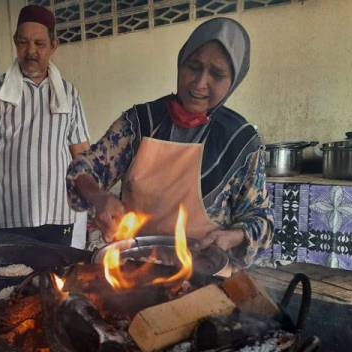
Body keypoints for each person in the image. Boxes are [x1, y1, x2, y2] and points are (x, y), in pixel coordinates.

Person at [66, 17, 273, 269]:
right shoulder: (140, 124)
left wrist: (233, 236)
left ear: (234, 80)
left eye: (217, 74)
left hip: (204, 279)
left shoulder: (240, 143)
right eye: (193, 67)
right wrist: (99, 197)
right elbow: (83, 169)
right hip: (134, 277)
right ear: (180, 63)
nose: (199, 83)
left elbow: (260, 221)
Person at [0, 5, 90, 247]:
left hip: (59, 214)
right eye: (23, 42)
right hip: (9, 220)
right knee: (11, 283)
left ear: (54, 45)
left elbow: (81, 152)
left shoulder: (69, 94)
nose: (30, 51)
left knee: (54, 281)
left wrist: (97, 193)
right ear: (15, 42)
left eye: (39, 44)